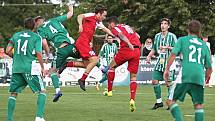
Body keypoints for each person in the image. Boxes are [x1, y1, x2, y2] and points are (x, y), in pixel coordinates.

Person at [164, 20, 212, 121]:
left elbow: (173, 54)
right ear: (199, 31)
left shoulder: (182, 40)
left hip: (185, 74)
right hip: (199, 76)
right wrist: (205, 80)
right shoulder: (204, 45)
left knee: (170, 101)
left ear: (188, 30)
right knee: (198, 105)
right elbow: (209, 68)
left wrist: (167, 70)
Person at [35, 4, 80, 102]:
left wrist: (47, 55)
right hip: (72, 46)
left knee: (52, 71)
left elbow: (44, 44)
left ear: (38, 23)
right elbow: (70, 14)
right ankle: (102, 67)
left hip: (61, 50)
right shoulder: (54, 20)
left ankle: (58, 90)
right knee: (87, 57)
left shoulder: (40, 30)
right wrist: (71, 7)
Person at [6, 18, 47, 121]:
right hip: (29, 68)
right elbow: (38, 53)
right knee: (42, 91)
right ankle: (39, 117)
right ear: (34, 26)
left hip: (17, 68)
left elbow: (7, 50)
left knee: (13, 93)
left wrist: (16, 57)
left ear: (24, 25)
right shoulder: (36, 37)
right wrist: (42, 67)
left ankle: (9, 119)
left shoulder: (16, 35)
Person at [74, 4, 114, 91]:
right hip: (82, 42)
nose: (104, 17)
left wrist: (116, 35)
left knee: (87, 65)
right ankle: (82, 80)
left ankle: (67, 64)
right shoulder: (91, 15)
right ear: (99, 14)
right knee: (95, 60)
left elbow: (105, 29)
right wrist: (80, 25)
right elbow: (80, 16)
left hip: (85, 43)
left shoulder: (98, 22)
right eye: (104, 15)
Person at [105, 16, 141, 112]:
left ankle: (109, 91)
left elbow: (121, 35)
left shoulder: (115, 28)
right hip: (137, 50)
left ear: (112, 23)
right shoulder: (127, 26)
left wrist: (128, 43)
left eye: (108, 24)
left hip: (127, 49)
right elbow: (138, 36)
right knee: (133, 77)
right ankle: (132, 99)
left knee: (111, 66)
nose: (108, 27)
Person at [146, 18, 177, 110]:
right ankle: (159, 102)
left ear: (168, 26)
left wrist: (167, 47)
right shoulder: (157, 36)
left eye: (165, 24)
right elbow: (154, 48)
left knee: (168, 83)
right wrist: (148, 56)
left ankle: (170, 102)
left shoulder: (172, 36)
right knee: (154, 81)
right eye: (161, 23)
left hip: (169, 62)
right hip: (160, 62)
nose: (163, 25)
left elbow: (177, 49)